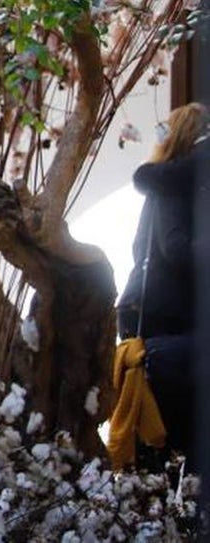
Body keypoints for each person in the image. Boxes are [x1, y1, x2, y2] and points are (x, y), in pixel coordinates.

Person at [115, 102, 207, 464]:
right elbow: (175, 248)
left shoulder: (163, 182)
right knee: (168, 425)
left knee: (157, 427)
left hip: (147, 310)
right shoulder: (175, 185)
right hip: (161, 316)